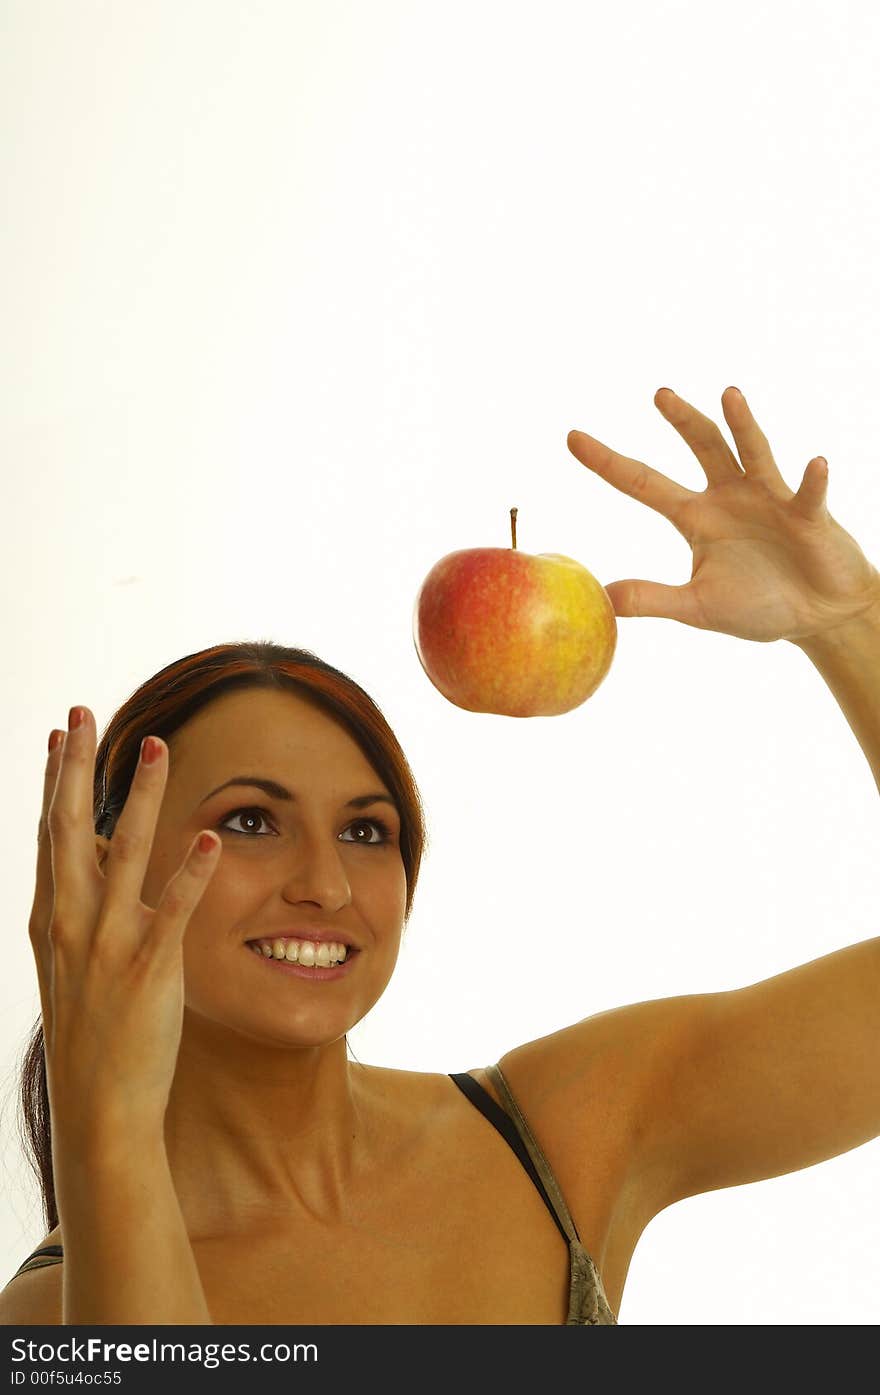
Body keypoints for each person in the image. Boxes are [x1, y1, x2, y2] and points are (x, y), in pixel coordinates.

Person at [2, 385, 879, 1326]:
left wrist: (849, 624)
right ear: (104, 875)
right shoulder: (50, 1310)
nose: (327, 884)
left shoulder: (554, 1137)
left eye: (367, 830)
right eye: (252, 820)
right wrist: (110, 1127)